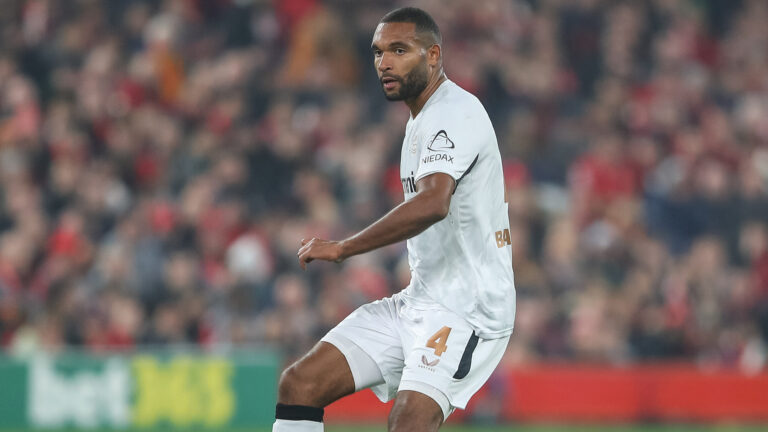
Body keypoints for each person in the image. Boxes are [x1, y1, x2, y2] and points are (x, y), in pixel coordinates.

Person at [273, 7, 516, 432]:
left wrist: (345, 247)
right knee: (300, 384)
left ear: (434, 55)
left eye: (400, 50)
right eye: (379, 52)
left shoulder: (455, 113)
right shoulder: (420, 120)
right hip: (419, 300)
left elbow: (433, 203)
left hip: (468, 310)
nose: (384, 62)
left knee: (407, 422)